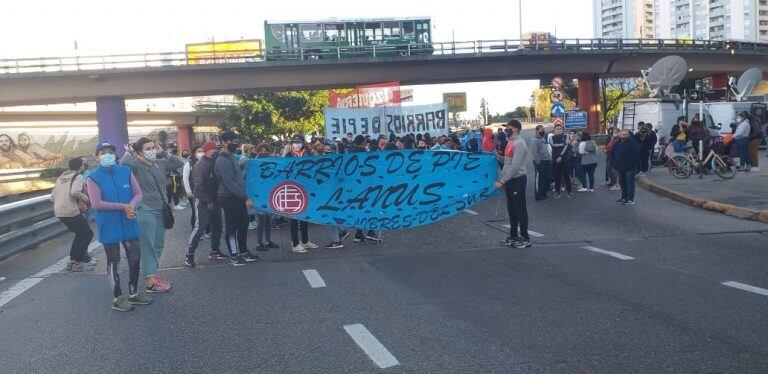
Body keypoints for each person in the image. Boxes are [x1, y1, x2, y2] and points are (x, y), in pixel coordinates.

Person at [87, 142, 151, 311]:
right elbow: (96, 203)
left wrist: (131, 205)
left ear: (116, 155)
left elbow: (138, 193)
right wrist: (123, 206)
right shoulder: (93, 178)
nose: (107, 155)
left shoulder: (126, 171)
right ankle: (117, 297)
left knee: (135, 258)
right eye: (103, 152)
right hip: (109, 224)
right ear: (97, 156)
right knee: (113, 261)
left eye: (110, 152)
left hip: (129, 221)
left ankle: (134, 293)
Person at [120, 137, 184, 292]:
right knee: (148, 245)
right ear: (140, 151)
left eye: (153, 148)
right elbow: (123, 165)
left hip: (160, 209)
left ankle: (152, 273)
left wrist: (164, 152)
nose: (151, 151)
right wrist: (130, 150)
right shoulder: (136, 165)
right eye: (147, 149)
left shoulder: (160, 163)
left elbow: (180, 163)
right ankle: (150, 281)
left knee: (159, 244)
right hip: (145, 209)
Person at [215, 131, 260, 264]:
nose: (235, 143)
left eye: (236, 141)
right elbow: (229, 183)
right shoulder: (222, 160)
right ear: (224, 143)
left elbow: (238, 178)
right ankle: (234, 255)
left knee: (243, 224)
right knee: (231, 227)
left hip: (237, 197)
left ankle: (244, 251)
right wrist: (245, 197)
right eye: (232, 141)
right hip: (228, 197)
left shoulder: (232, 157)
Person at [184, 141, 226, 267]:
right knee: (200, 228)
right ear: (208, 150)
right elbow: (198, 185)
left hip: (215, 199)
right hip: (204, 201)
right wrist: (208, 201)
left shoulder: (213, 162)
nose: (217, 151)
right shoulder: (201, 164)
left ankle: (215, 251)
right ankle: (189, 255)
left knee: (217, 225)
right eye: (215, 149)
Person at [51, 157, 95, 272]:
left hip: (60, 211)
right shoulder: (78, 176)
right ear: (80, 166)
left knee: (81, 234)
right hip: (71, 210)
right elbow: (75, 192)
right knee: (87, 234)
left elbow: (52, 196)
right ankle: (76, 261)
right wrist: (86, 199)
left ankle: (74, 261)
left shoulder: (61, 177)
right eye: (82, 164)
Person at [493, 120, 530, 249]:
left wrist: (502, 181)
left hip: (517, 180)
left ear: (516, 129)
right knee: (512, 210)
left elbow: (515, 166)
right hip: (510, 181)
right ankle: (513, 236)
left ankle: (525, 238)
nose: (506, 129)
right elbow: (508, 162)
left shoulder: (519, 143)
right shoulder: (511, 142)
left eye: (508, 127)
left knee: (520, 210)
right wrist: (498, 157)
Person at [285, 134, 320, 253]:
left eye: (299, 142)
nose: (297, 144)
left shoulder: (308, 155)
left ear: (303, 143)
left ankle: (305, 241)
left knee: (305, 215)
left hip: (306, 189)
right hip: (292, 190)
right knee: (294, 217)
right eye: (294, 142)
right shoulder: (288, 156)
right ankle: (295, 243)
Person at [253, 143, 280, 252]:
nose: (263, 152)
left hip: (269, 194)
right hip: (260, 194)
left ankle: (268, 241)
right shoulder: (254, 163)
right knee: (261, 219)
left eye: (265, 150)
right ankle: (259, 243)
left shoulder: (271, 162)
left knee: (268, 219)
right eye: (261, 150)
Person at [611, 130, 641, 205]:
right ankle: (624, 197)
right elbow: (613, 152)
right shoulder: (617, 143)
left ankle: (630, 199)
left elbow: (637, 154)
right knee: (622, 182)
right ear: (620, 135)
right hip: (620, 167)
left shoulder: (633, 143)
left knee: (630, 182)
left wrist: (632, 163)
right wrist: (614, 163)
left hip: (630, 167)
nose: (624, 136)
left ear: (629, 135)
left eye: (626, 134)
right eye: (623, 134)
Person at [548, 124, 573, 199]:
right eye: (557, 129)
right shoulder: (551, 138)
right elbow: (553, 145)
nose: (559, 130)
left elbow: (566, 147)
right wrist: (565, 143)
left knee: (567, 177)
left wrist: (560, 156)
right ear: (554, 130)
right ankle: (557, 192)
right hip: (555, 160)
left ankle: (569, 192)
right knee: (556, 177)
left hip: (565, 160)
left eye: (560, 129)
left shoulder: (566, 136)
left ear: (562, 129)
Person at [183, 146, 203, 229]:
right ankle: (195, 228)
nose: (201, 153)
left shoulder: (204, 162)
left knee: (203, 210)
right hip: (193, 191)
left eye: (202, 151)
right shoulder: (189, 164)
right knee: (195, 211)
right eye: (199, 151)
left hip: (203, 191)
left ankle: (206, 229)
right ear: (194, 153)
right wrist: (188, 191)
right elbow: (185, 178)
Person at [530, 125, 551, 200]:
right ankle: (539, 195)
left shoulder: (543, 139)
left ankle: (544, 193)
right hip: (540, 162)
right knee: (540, 179)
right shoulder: (535, 140)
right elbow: (534, 153)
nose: (543, 130)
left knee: (547, 178)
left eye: (543, 129)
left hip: (547, 161)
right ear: (537, 131)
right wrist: (538, 163)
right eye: (541, 129)